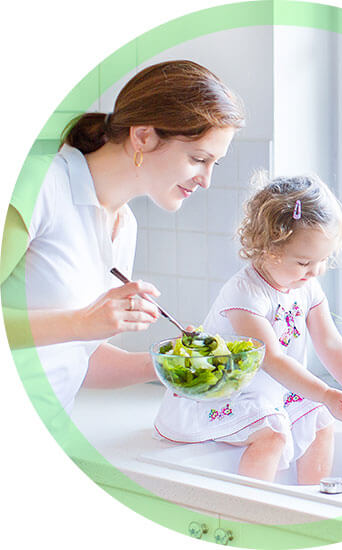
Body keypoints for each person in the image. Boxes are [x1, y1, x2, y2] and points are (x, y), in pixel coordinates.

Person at [0, 60, 245, 416]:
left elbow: (77, 357)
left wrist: (171, 364)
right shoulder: (39, 185)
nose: (205, 180)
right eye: (198, 159)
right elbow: (74, 328)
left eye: (214, 164)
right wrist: (82, 321)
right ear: (143, 135)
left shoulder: (124, 225)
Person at [154, 172, 342, 484]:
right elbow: (273, 359)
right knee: (273, 435)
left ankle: (306, 510)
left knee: (320, 421)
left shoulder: (307, 286)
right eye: (304, 262)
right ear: (268, 248)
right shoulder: (245, 293)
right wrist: (325, 393)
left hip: (273, 392)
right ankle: (252, 513)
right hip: (229, 395)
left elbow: (330, 343)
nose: (315, 271)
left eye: (323, 260)